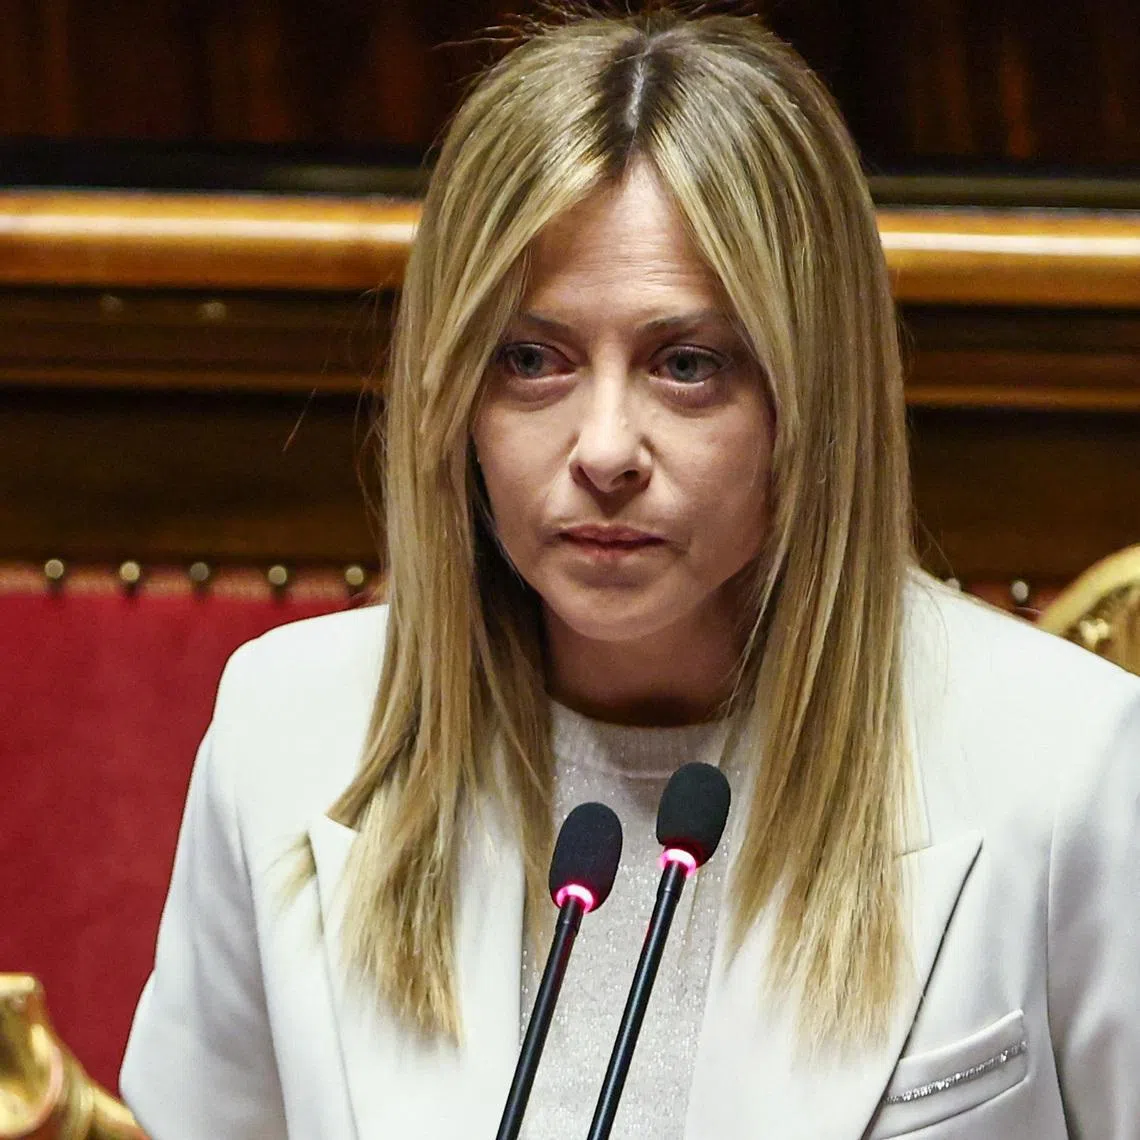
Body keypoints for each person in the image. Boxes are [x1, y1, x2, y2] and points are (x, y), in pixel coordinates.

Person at [120, 9, 1140, 1140]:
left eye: (688, 365)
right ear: (455, 394)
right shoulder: (286, 731)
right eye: (532, 361)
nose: (606, 449)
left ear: (813, 395)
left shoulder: (1070, 765)